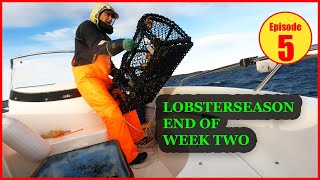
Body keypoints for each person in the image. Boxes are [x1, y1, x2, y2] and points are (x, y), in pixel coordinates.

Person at [71, 3, 147, 165]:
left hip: (103, 79)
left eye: (112, 16)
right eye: (107, 14)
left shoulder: (105, 38)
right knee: (111, 111)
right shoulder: (87, 26)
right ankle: (127, 155)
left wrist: (124, 78)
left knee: (126, 103)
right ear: (97, 14)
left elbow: (109, 66)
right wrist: (122, 44)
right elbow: (99, 48)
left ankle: (138, 138)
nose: (110, 18)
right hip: (88, 79)